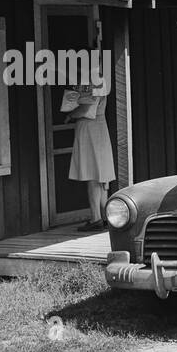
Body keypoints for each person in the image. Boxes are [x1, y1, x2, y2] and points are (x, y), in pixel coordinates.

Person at [67, 63, 115, 230]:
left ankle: (96, 217)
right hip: (94, 128)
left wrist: (71, 114)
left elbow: (88, 109)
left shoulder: (95, 81)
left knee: (93, 173)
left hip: (92, 127)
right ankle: (105, 215)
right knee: (99, 173)